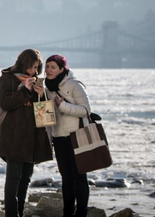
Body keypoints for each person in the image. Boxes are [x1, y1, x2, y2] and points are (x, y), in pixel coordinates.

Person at [0, 49, 53, 217]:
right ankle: (11, 214)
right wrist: (25, 91)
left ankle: (20, 212)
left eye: (37, 68)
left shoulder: (37, 82)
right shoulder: (7, 79)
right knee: (13, 179)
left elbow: (45, 117)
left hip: (33, 137)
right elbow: (5, 103)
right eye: (32, 67)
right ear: (24, 63)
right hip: (14, 136)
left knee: (26, 178)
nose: (35, 71)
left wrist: (42, 97)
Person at [44, 54, 91, 217]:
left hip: (76, 136)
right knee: (66, 178)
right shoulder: (46, 88)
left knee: (79, 176)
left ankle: (81, 213)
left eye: (53, 67)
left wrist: (63, 106)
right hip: (58, 137)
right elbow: (46, 117)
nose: (48, 70)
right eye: (47, 66)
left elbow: (86, 110)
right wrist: (38, 97)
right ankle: (67, 213)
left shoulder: (75, 85)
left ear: (62, 69)